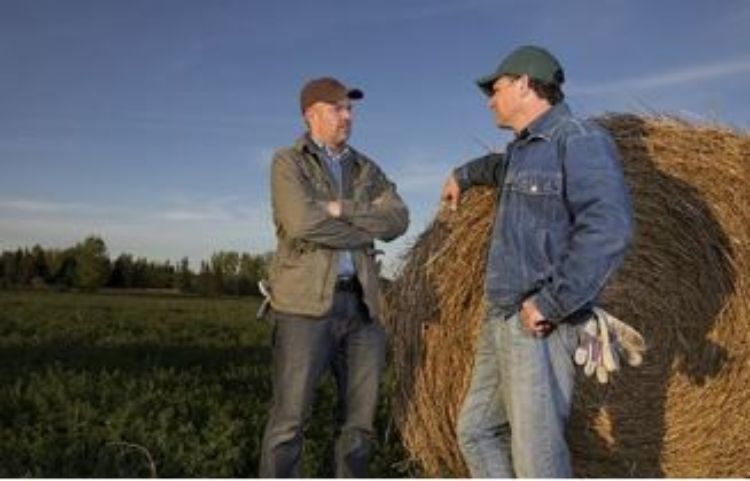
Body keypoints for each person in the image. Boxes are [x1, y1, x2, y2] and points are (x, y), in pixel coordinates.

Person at [441, 45, 634, 477]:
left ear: (526, 84)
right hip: (502, 317)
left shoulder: (580, 139)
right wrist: (463, 175)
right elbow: (499, 168)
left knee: (537, 461)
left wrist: (550, 302)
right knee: (475, 431)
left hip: (538, 323)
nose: (490, 99)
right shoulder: (524, 152)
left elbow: (608, 228)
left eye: (496, 88)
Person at [260, 76, 409, 478]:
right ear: (312, 115)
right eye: (338, 108)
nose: (348, 116)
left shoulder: (366, 168)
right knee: (289, 423)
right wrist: (365, 232)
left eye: (350, 109)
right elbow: (303, 222)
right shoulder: (288, 162)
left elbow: (398, 220)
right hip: (304, 308)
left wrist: (341, 208)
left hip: (364, 309)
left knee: (359, 425)